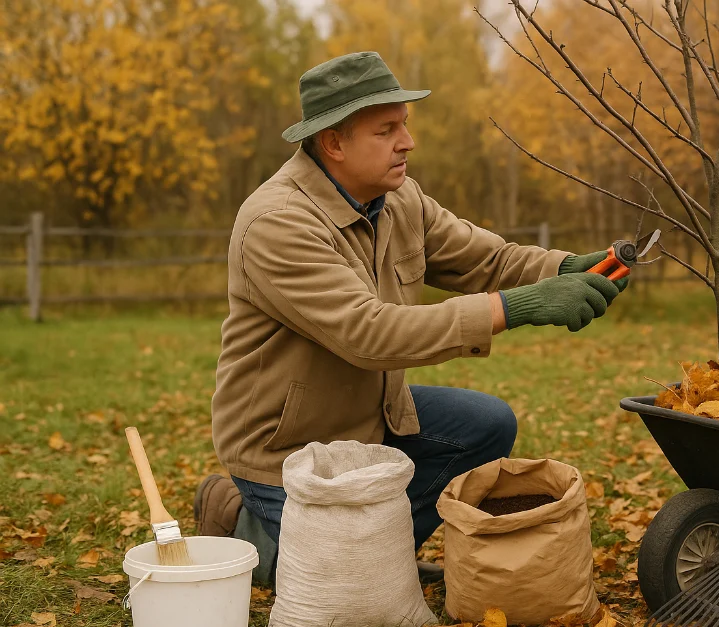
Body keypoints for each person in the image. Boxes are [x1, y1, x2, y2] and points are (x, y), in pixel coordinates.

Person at [194, 51, 627, 584]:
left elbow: (485, 260)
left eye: (405, 125)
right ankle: (242, 519)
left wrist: (567, 267)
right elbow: (368, 334)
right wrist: (518, 308)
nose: (407, 142)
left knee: (485, 425)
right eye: (387, 129)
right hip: (290, 449)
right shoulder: (276, 222)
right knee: (328, 585)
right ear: (334, 142)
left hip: (368, 418)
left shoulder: (398, 198)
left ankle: (379, 551)